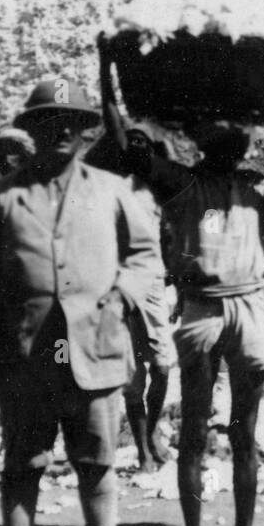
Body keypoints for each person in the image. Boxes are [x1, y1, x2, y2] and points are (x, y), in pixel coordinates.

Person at [101, 51, 264, 526]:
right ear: (205, 144)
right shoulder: (182, 183)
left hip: (251, 307)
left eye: (237, 138)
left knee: (246, 431)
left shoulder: (256, 188)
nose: (232, 144)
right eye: (222, 138)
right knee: (196, 430)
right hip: (202, 309)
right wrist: (106, 76)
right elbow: (123, 151)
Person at [0, 77, 158, 526]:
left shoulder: (114, 190)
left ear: (86, 131)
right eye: (49, 122)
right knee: (23, 463)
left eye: (71, 122)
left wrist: (122, 296)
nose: (61, 131)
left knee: (96, 462)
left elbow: (145, 255)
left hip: (93, 349)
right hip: (25, 354)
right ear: (30, 130)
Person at [86, 112, 176, 473]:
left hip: (153, 284)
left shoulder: (157, 187)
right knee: (132, 375)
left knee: (163, 366)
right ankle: (142, 450)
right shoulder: (108, 185)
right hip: (118, 284)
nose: (136, 144)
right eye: (131, 140)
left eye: (144, 141)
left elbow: (170, 235)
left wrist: (175, 277)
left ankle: (152, 432)